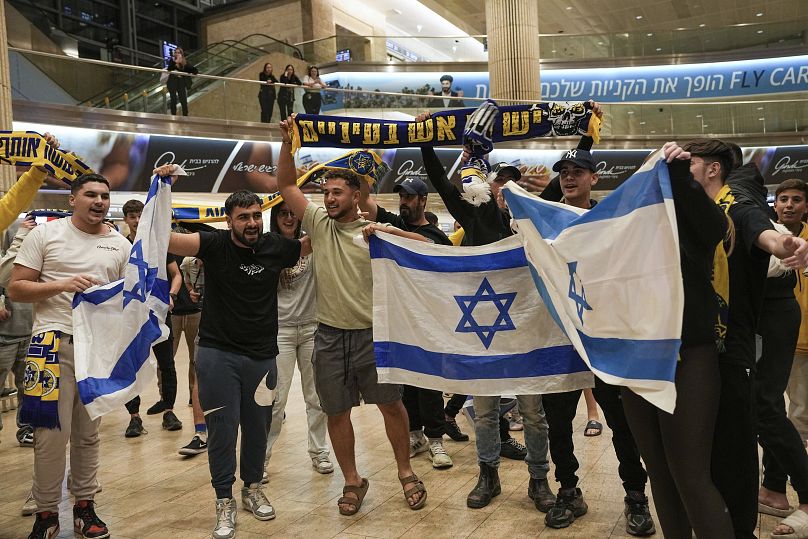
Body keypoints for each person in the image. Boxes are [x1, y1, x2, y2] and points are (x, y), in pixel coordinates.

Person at [277, 115, 433, 517]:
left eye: (336, 193)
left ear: (355, 193)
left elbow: (426, 245)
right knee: (336, 411)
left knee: (391, 406)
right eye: (325, 192)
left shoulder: (374, 231)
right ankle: (352, 480)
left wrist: (389, 232)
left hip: (373, 336)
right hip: (328, 335)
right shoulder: (317, 224)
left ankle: (405, 471)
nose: (328, 199)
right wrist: (287, 142)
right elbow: (286, 186)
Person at [160, 166, 311, 539]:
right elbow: (165, 239)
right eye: (243, 217)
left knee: (259, 429)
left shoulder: (277, 248)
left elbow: (315, 240)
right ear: (229, 221)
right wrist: (160, 192)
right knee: (223, 430)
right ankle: (224, 499)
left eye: (256, 215)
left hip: (262, 357)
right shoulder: (214, 245)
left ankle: (252, 489)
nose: (252, 222)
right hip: (217, 355)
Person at [416, 114, 554, 513]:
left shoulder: (529, 224)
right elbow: (442, 185)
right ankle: (487, 475)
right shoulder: (474, 216)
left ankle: (539, 479)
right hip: (483, 334)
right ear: (490, 186)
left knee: (534, 414)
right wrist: (427, 141)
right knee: (486, 413)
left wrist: (584, 135)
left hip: (524, 334)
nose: (506, 187)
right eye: (501, 181)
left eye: (513, 181)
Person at [678, 138, 808, 539]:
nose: (685, 173)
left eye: (691, 164)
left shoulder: (737, 204)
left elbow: (759, 229)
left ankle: (741, 525)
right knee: (717, 434)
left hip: (736, 343)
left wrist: (782, 242)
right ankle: (751, 501)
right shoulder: (697, 209)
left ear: (713, 169)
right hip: (704, 345)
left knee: (745, 426)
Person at [536, 148, 655, 535]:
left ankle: (636, 496)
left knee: (623, 424)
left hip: (605, 339)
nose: (569, 178)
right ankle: (568, 491)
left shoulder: (612, 222)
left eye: (577, 172)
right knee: (558, 423)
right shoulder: (544, 224)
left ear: (593, 178)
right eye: (564, 172)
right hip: (561, 340)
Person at [619, 142, 734, 538]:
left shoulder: (701, 220)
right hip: (638, 355)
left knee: (690, 474)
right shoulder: (635, 229)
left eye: (690, 163)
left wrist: (681, 177)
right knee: (661, 474)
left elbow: (712, 226)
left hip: (689, 352)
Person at [9, 173, 131, 539]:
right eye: (90, 194)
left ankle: (85, 506)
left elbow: (130, 296)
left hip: (98, 351)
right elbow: (16, 288)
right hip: (49, 346)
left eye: (104, 196)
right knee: (49, 436)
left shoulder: (119, 243)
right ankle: (46, 513)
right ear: (72, 200)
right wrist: (62, 284)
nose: (99, 201)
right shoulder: (45, 235)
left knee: (89, 433)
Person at [358, 176, 455, 468]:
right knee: (405, 383)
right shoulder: (395, 225)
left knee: (429, 383)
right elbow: (365, 202)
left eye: (409, 198)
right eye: (401, 197)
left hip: (429, 322)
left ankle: (436, 439)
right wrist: (363, 175)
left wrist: (387, 231)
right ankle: (416, 435)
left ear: (422, 201)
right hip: (400, 320)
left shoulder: (434, 233)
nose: (403, 202)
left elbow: (426, 243)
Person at [264, 202, 332, 477]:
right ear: (275, 218)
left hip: (312, 328)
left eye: (293, 213)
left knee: (316, 397)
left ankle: (319, 452)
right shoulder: (267, 248)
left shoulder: (314, 244)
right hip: (279, 331)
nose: (289, 218)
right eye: (283, 213)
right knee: (275, 400)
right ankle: (261, 458)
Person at [756, 179, 808, 534]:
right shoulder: (764, 227)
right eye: (783, 199)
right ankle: (774, 488)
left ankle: (792, 491)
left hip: (789, 329)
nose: (788, 205)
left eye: (796, 200)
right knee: (774, 409)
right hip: (785, 334)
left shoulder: (796, 241)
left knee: (788, 412)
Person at [120, 199, 183, 437]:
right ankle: (134, 417)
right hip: (132, 315)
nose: (136, 221)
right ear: (126, 219)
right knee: (132, 365)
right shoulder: (122, 245)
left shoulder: (157, 244)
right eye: (132, 216)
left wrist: (171, 295)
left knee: (167, 364)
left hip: (158, 313)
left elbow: (175, 275)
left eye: (140, 216)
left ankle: (169, 411)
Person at [0, 217, 36, 448]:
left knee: (28, 386)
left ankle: (26, 428)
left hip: (29, 332)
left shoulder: (36, 261)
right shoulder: (6, 261)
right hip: (4, 337)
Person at [166, 47, 198, 117]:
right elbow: (169, 68)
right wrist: (176, 62)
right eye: (176, 52)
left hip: (181, 82)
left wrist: (183, 64)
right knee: (173, 99)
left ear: (182, 54)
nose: (177, 54)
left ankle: (185, 116)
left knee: (183, 100)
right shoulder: (172, 60)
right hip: (173, 81)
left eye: (179, 53)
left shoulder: (184, 62)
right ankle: (173, 116)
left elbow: (195, 70)